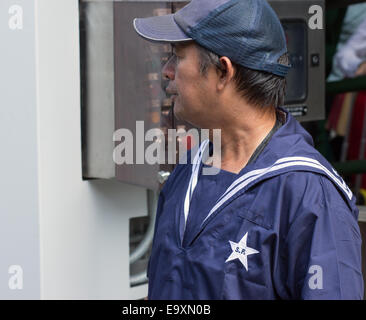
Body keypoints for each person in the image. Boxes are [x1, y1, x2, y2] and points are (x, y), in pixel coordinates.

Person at [133, 0, 364, 299]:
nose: (167, 71)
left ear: (224, 72)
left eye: (177, 57)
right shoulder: (189, 168)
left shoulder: (309, 194)